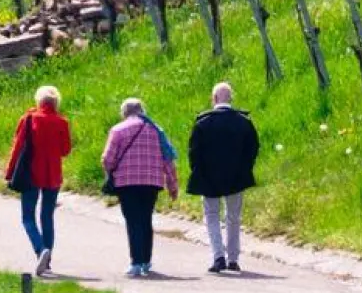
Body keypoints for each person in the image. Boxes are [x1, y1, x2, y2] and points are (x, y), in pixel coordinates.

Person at [186, 82, 260, 273]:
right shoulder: (244, 122)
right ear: (231, 99)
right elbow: (253, 149)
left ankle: (218, 256)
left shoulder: (202, 123)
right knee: (233, 217)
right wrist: (245, 169)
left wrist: (199, 172)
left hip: (209, 177)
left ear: (214, 99)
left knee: (212, 216)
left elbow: (194, 153)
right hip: (236, 177)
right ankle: (233, 259)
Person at [102, 98, 178, 277]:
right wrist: (172, 185)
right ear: (142, 111)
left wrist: (109, 171)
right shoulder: (157, 130)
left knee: (132, 221)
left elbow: (107, 159)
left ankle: (135, 262)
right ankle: (146, 261)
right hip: (152, 182)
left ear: (124, 113)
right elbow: (168, 159)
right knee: (146, 219)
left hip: (127, 182)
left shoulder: (118, 130)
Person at [4, 86, 73, 275]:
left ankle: (40, 249)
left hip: (31, 174)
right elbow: (65, 150)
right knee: (47, 216)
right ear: (56, 103)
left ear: (38, 101)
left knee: (28, 217)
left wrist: (9, 172)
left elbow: (17, 147)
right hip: (53, 175)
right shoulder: (62, 122)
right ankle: (47, 260)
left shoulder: (28, 119)